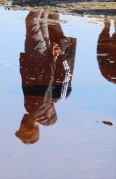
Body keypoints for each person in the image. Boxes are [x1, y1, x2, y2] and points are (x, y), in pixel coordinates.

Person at [15, 10, 75, 144]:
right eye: (21, 127)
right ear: (27, 127)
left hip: (43, 61)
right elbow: (47, 81)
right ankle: (40, 2)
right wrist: (52, 59)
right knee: (32, 21)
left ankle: (46, 3)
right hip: (37, 62)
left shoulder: (43, 109)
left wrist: (51, 59)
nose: (20, 124)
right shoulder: (34, 109)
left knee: (43, 21)